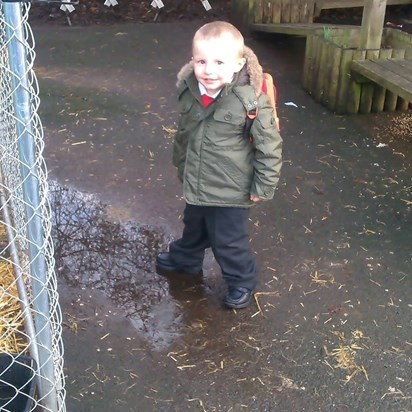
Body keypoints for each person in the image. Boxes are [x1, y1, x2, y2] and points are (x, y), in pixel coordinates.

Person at [156, 21, 282, 309]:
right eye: (201, 61)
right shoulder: (190, 89)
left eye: (218, 62)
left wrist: (263, 185)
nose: (208, 70)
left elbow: (269, 146)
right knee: (194, 226)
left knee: (228, 241)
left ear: (238, 64)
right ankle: (186, 259)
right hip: (198, 180)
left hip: (231, 189)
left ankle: (242, 281)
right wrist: (181, 165)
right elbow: (185, 133)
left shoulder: (249, 100)